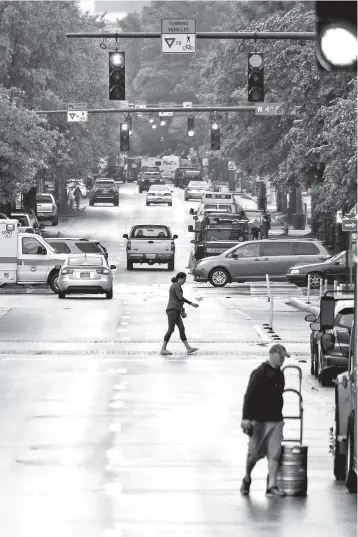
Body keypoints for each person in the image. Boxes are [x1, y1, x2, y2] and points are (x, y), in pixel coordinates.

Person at [240, 343, 290, 497]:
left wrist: (280, 422)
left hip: (276, 420)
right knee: (254, 454)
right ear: (273, 354)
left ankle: (271, 486)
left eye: (284, 358)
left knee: (274, 453)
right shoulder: (259, 373)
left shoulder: (280, 374)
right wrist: (246, 418)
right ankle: (247, 477)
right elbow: (249, 396)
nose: (283, 360)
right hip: (259, 421)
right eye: (281, 357)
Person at [161, 272, 199, 356]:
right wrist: (191, 303)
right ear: (180, 278)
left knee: (181, 328)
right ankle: (163, 349)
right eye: (184, 279)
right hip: (172, 310)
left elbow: (180, 301)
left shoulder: (178, 286)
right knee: (171, 330)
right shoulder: (176, 286)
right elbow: (180, 298)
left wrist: (182, 311)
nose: (185, 281)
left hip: (176, 310)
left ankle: (188, 348)